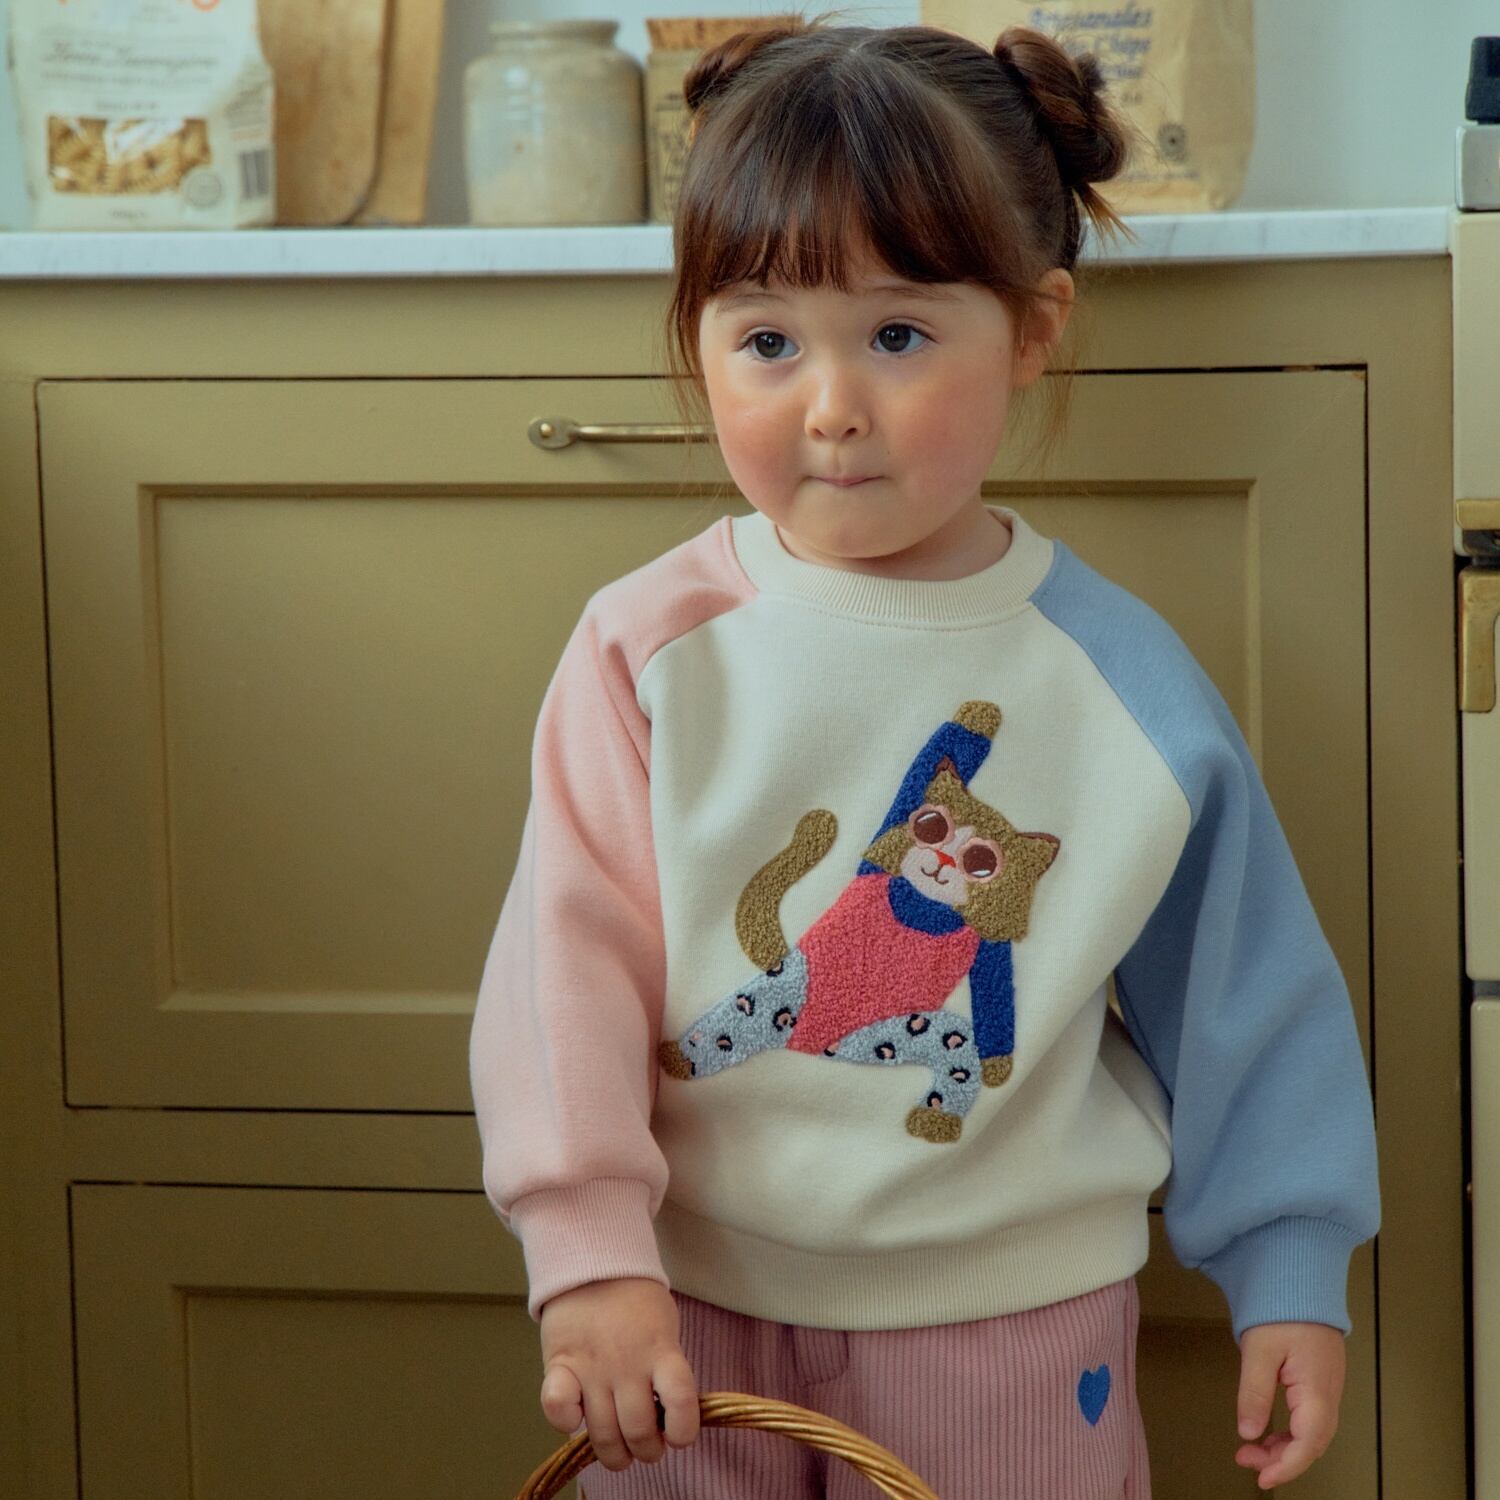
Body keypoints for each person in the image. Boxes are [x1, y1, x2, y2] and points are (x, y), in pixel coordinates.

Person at [468, 10, 1381, 1498]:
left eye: (897, 335)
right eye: (767, 340)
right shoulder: (646, 651)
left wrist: (1291, 1261)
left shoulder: (1123, 684)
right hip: (678, 1320)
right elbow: (561, 975)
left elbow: (1245, 988)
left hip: (1014, 1329)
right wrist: (588, 1254)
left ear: (1033, 329)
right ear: (698, 341)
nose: (831, 409)